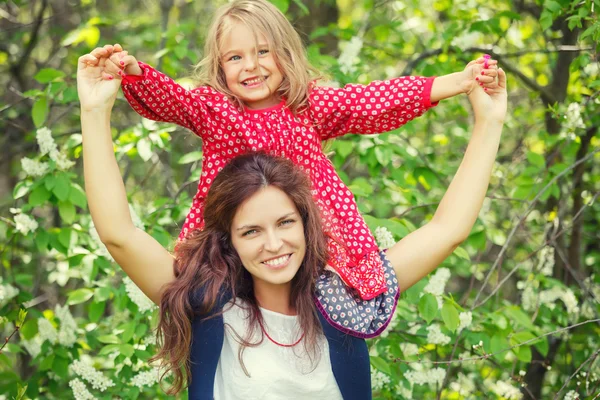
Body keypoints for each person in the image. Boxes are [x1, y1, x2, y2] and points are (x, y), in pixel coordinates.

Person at [78, 34, 507, 398]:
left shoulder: (350, 294)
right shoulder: (205, 302)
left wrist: (488, 122)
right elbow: (118, 234)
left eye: (286, 222)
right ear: (228, 239)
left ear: (310, 221)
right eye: (250, 231)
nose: (274, 243)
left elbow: (448, 229)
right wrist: (95, 111)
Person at [86, 0, 500, 304]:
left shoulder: (309, 107)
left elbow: (372, 101)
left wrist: (453, 83)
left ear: (284, 53)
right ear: (220, 67)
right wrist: (134, 72)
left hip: (308, 243)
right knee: (215, 290)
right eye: (235, 57)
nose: (251, 66)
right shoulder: (216, 110)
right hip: (234, 247)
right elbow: (175, 100)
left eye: (263, 52)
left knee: (319, 275)